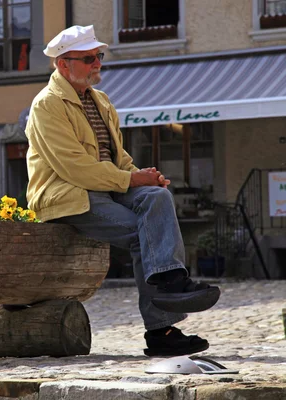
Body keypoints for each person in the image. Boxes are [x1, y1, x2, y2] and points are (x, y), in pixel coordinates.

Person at [24, 25, 220, 357]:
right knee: (145, 233)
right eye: (88, 59)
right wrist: (131, 180)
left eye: (98, 56)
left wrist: (144, 176)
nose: (97, 63)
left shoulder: (100, 101)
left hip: (107, 188)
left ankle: (171, 283)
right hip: (68, 196)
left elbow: (118, 159)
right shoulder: (46, 105)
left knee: (158, 197)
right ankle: (162, 330)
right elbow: (75, 168)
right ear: (62, 64)